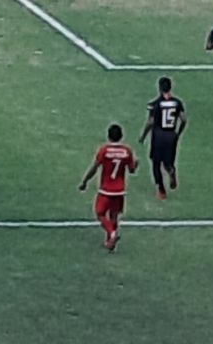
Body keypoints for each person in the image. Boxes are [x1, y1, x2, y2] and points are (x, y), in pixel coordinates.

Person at [79, 124, 138, 252]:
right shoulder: (127, 151)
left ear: (108, 136)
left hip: (106, 189)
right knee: (114, 216)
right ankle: (110, 242)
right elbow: (132, 170)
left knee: (99, 213)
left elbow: (95, 167)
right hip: (120, 190)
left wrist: (85, 181)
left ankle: (111, 233)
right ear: (121, 136)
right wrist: (136, 164)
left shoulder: (104, 150)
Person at [138, 77, 187, 200]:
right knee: (168, 162)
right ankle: (171, 170)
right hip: (171, 135)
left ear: (159, 88)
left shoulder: (155, 104)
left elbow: (150, 122)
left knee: (156, 163)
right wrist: (178, 133)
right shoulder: (177, 102)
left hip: (159, 136)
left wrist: (143, 136)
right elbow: (184, 119)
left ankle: (161, 190)